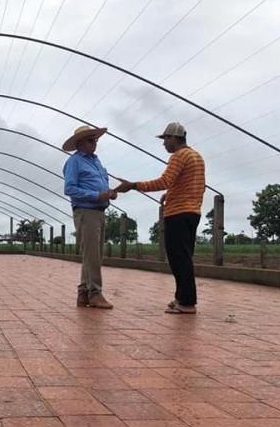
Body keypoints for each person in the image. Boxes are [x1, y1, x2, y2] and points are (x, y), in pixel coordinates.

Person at [115, 122, 205, 314]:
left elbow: (164, 181)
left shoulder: (178, 156)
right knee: (184, 256)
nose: (164, 144)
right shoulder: (196, 156)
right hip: (192, 212)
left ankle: (187, 302)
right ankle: (181, 297)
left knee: (178, 258)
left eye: (165, 139)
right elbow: (191, 184)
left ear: (175, 138)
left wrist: (133, 185)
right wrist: (170, 193)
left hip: (178, 213)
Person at [62, 125, 118, 309]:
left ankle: (84, 293)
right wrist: (96, 196)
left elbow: (100, 184)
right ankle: (95, 292)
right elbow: (69, 189)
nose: (94, 143)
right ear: (80, 143)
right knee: (92, 255)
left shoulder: (96, 161)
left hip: (99, 211)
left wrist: (109, 193)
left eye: (95, 140)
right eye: (90, 140)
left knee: (93, 254)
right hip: (86, 211)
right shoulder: (75, 162)